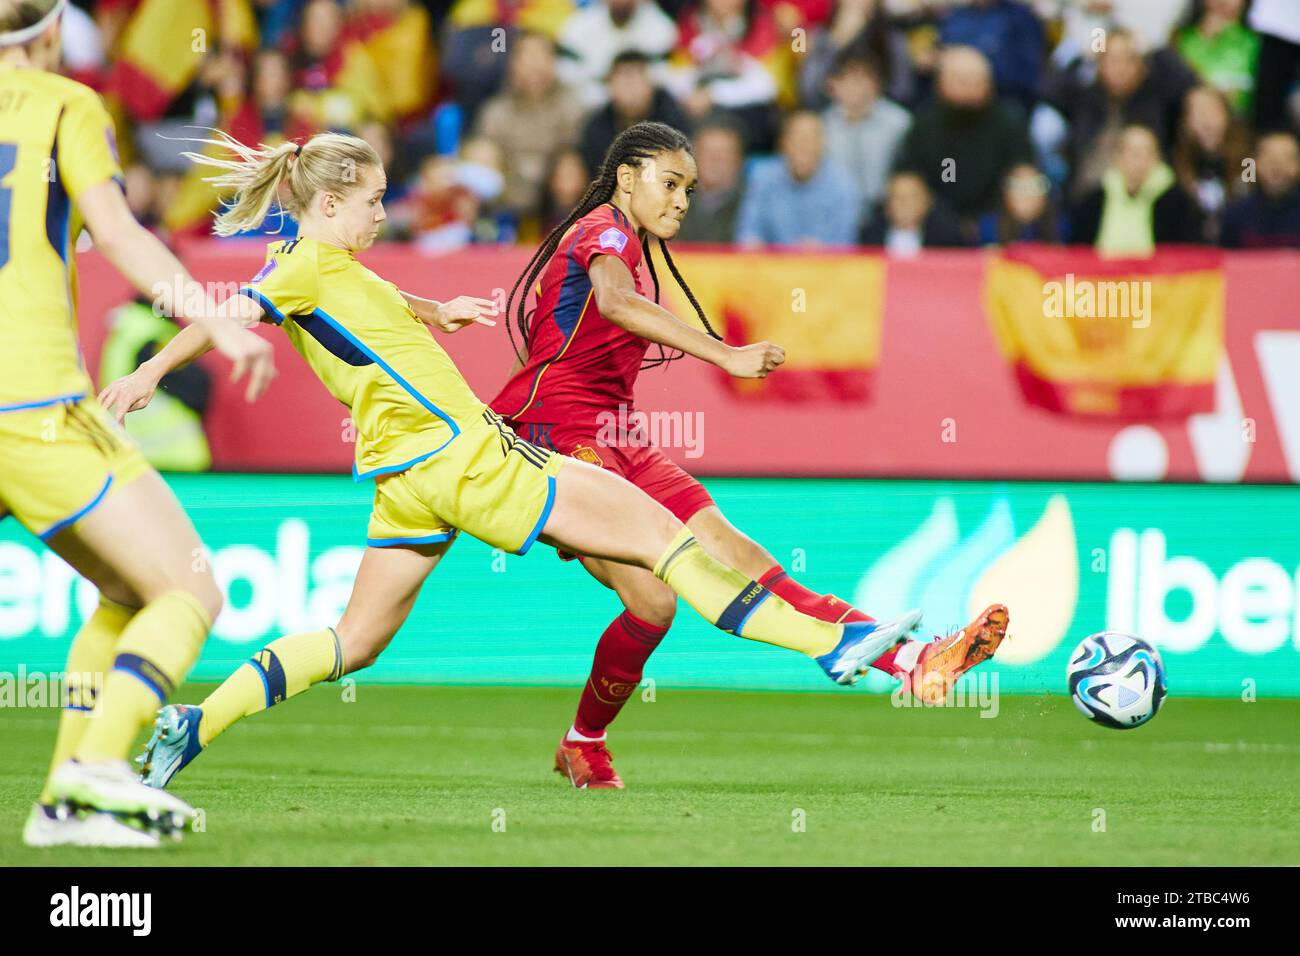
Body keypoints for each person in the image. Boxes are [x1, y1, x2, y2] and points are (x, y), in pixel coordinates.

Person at [100, 128, 1008, 792]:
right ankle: (839, 645)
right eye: (376, 200)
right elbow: (230, 309)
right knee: (670, 548)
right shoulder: (308, 268)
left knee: (355, 642)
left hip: (402, 481)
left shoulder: (326, 261)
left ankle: (192, 724)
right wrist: (145, 373)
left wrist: (434, 312)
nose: (387, 212)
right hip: (481, 454)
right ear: (329, 202)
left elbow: (364, 299)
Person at [490, 120, 1008, 787]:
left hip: (621, 438)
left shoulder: (629, 247)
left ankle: (910, 662)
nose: (681, 200)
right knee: (655, 598)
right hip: (560, 439)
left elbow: (544, 341)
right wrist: (726, 354)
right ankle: (588, 741)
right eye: (669, 183)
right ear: (626, 177)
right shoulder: (606, 232)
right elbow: (614, 306)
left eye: (690, 188)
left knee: (734, 560)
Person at [0, 0, 275, 849]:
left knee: (126, 588)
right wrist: (214, 317)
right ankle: (97, 774)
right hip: (30, 403)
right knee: (191, 588)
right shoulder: (63, 103)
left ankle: (62, 804)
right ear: (48, 37)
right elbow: (117, 229)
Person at [735, 110, 862, 247]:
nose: (803, 146)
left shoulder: (843, 184)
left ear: (823, 145)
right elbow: (748, 231)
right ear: (783, 144)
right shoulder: (763, 177)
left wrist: (820, 250)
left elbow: (845, 244)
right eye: (796, 139)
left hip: (823, 266)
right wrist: (752, 243)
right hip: (770, 265)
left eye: (810, 140)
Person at [1071, 124, 1204, 253]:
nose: (1139, 160)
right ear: (1117, 157)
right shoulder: (1094, 201)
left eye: (1147, 152)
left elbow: (1186, 252)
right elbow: (1078, 252)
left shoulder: (1176, 203)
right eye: (1133, 152)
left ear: (1157, 158)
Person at [1220, 130, 1300, 248]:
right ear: (1256, 163)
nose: (1277, 167)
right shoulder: (1235, 214)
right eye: (1270, 159)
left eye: (1286, 158)